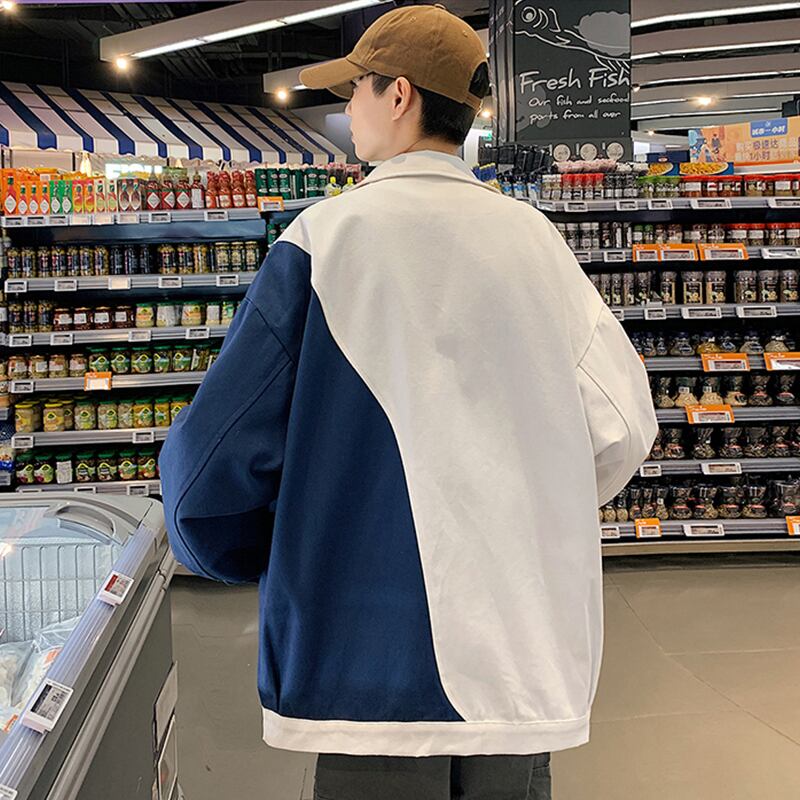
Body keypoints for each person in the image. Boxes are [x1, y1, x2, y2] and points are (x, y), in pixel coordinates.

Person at [159, 4, 657, 799]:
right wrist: (525, 510)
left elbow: (206, 467)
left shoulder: (323, 241)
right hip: (515, 662)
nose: (347, 108)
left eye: (355, 88)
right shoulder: (534, 240)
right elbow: (625, 427)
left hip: (361, 656)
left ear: (398, 94)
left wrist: (269, 551)